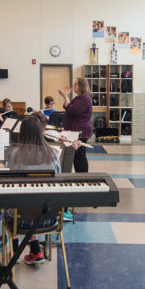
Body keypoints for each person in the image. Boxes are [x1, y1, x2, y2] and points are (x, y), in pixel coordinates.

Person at [6, 115, 61, 266]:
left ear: (22, 133)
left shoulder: (15, 154)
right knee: (35, 204)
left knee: (14, 202)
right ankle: (36, 251)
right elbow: (59, 182)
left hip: (21, 220)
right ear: (40, 132)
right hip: (48, 218)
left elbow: (11, 184)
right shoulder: (54, 153)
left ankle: (15, 251)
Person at [59, 78, 92, 223]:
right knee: (77, 157)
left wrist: (65, 96)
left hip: (80, 132)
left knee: (79, 157)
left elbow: (72, 109)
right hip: (73, 131)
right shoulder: (79, 97)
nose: (74, 86)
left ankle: (82, 183)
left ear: (82, 86)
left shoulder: (85, 98)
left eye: (76, 84)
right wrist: (67, 96)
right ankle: (80, 182)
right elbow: (68, 108)